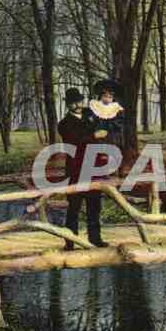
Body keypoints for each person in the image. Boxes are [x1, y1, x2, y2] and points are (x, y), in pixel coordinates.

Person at [57, 87, 108, 249]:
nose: (78, 105)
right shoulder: (64, 124)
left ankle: (95, 239)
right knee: (74, 207)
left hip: (93, 168)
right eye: (73, 102)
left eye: (79, 101)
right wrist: (94, 136)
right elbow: (75, 141)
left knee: (95, 206)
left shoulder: (90, 115)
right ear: (68, 105)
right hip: (76, 169)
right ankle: (70, 241)